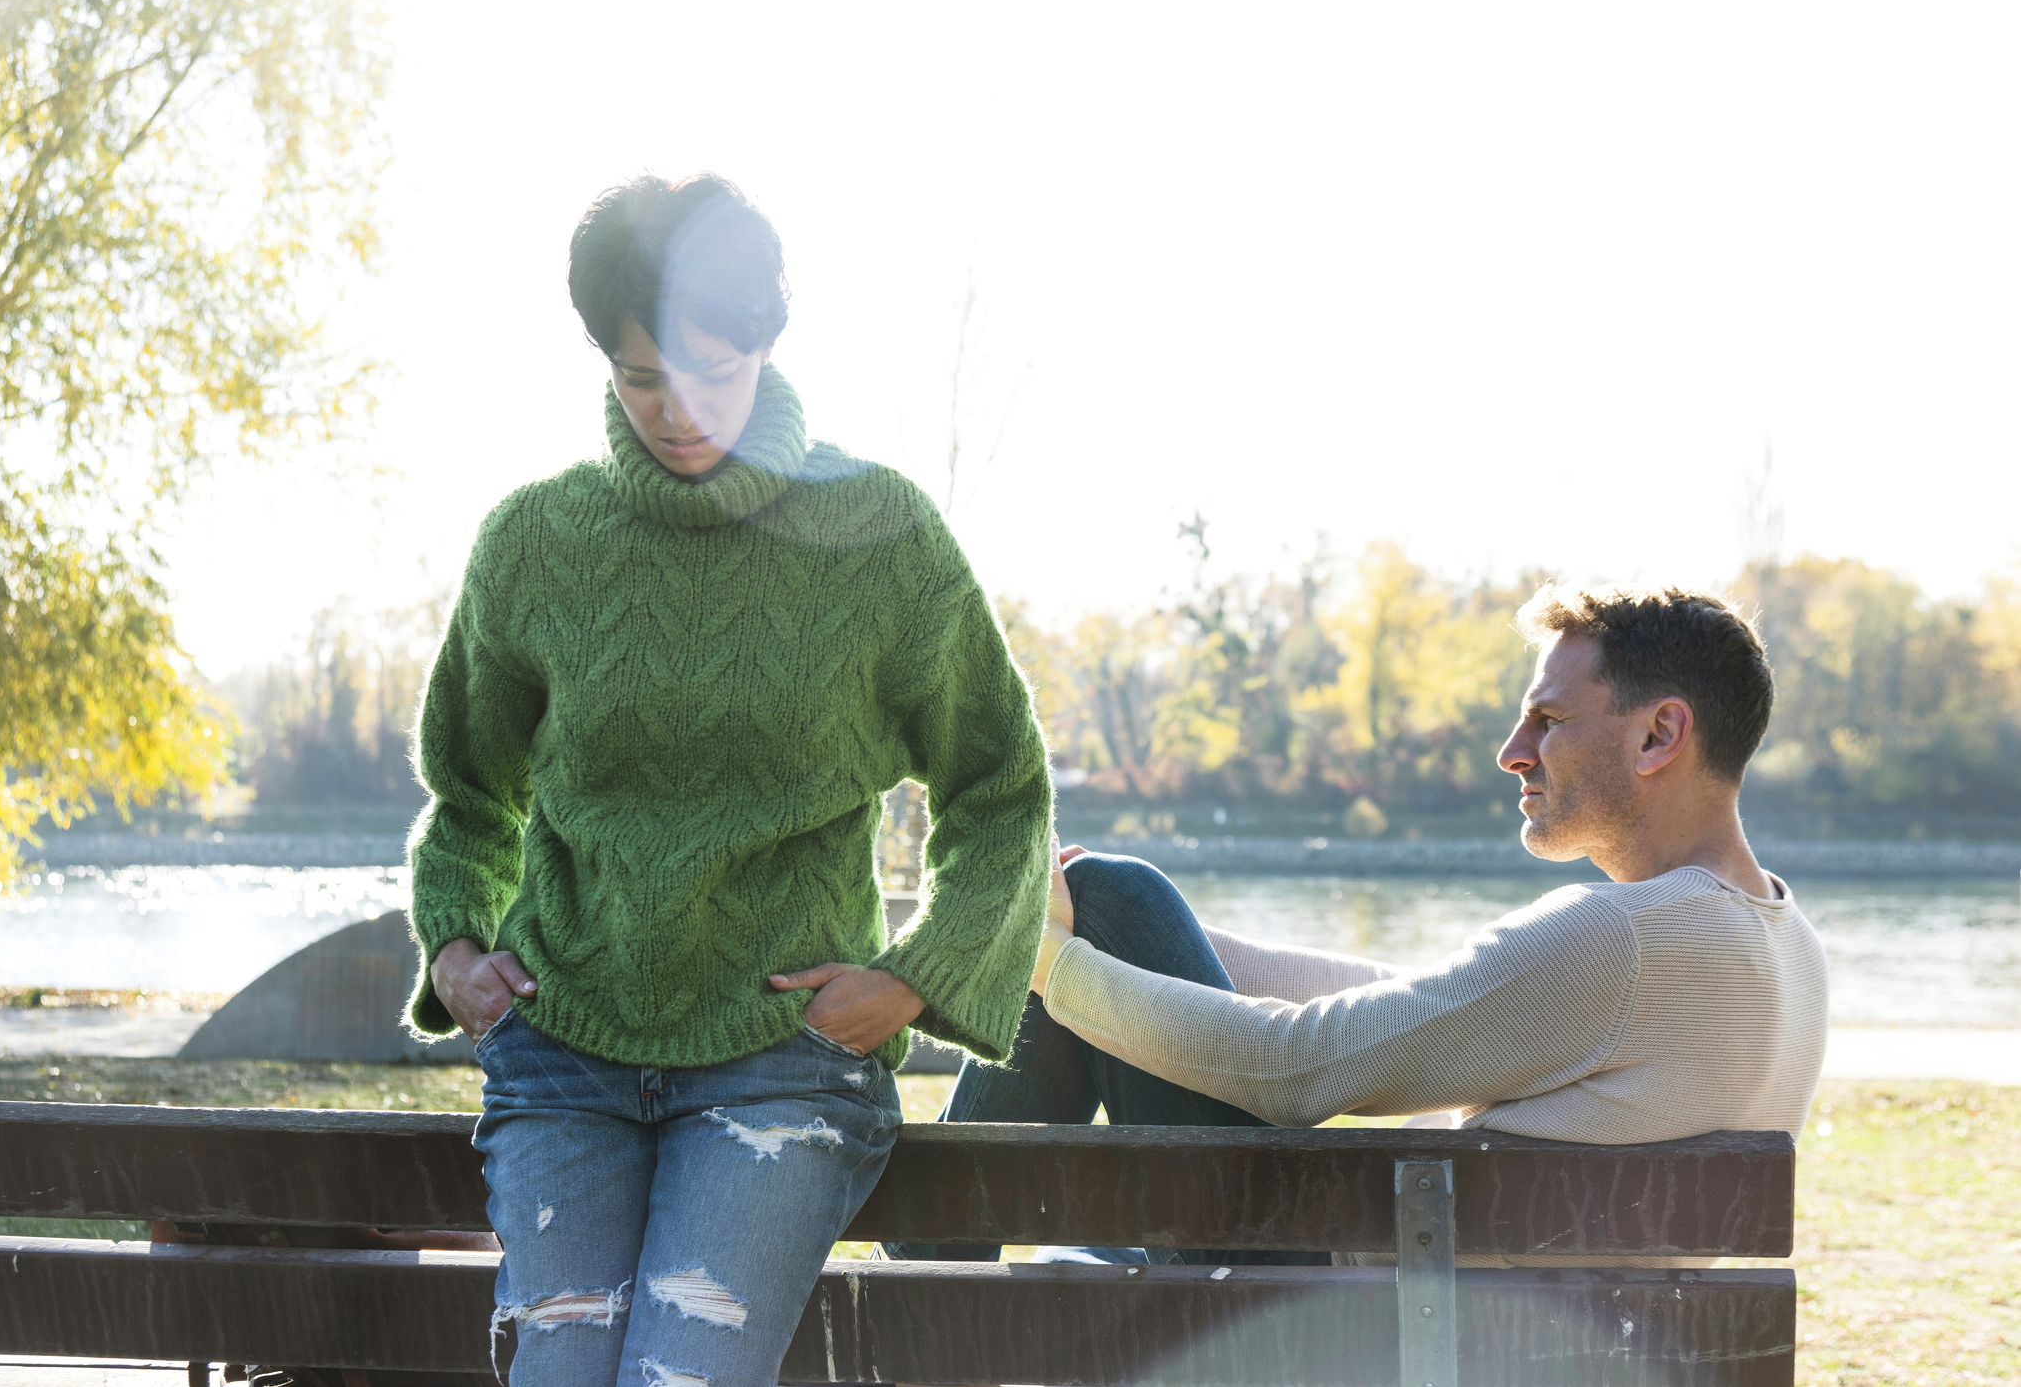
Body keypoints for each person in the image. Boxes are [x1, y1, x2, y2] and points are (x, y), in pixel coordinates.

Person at [405, 173, 1053, 1384]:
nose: (679, 410)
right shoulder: (533, 543)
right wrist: (454, 945)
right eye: (641, 376)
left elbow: (1001, 791)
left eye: (712, 371)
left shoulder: (879, 533)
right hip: (564, 1058)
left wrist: (912, 978)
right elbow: (470, 796)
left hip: (781, 1061)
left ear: (765, 341)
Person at [891, 582, 1827, 1271]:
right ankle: (930, 1285)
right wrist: (1152, 939)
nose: (1512, 753)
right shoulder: (1782, 944)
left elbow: (1296, 1069)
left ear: (1659, 735)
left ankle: (919, 1293)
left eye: (1546, 719)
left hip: (1347, 1330)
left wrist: (1057, 958)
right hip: (1513, 1337)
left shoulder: (1621, 939)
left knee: (1107, 891)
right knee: (1113, 910)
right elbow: (1411, 1001)